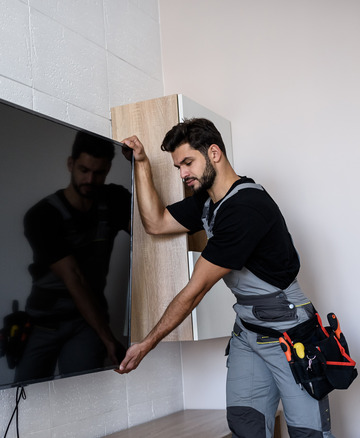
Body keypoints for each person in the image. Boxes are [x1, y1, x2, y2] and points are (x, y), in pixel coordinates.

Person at [117, 118, 334, 438]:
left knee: (308, 432)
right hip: (249, 328)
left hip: (289, 330)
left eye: (187, 162)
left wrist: (147, 344)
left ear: (214, 152)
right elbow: (157, 222)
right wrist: (142, 163)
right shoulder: (209, 201)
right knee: (246, 425)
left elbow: (196, 289)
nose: (182, 174)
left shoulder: (245, 207)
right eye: (178, 166)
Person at [14, 133, 129, 382]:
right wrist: (108, 338)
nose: (89, 179)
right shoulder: (42, 215)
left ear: (108, 169)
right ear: (70, 164)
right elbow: (74, 278)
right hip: (42, 322)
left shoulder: (114, 201)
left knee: (85, 390)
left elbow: (152, 229)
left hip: (87, 324)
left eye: (98, 172)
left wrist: (137, 164)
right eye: (83, 169)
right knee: (24, 393)